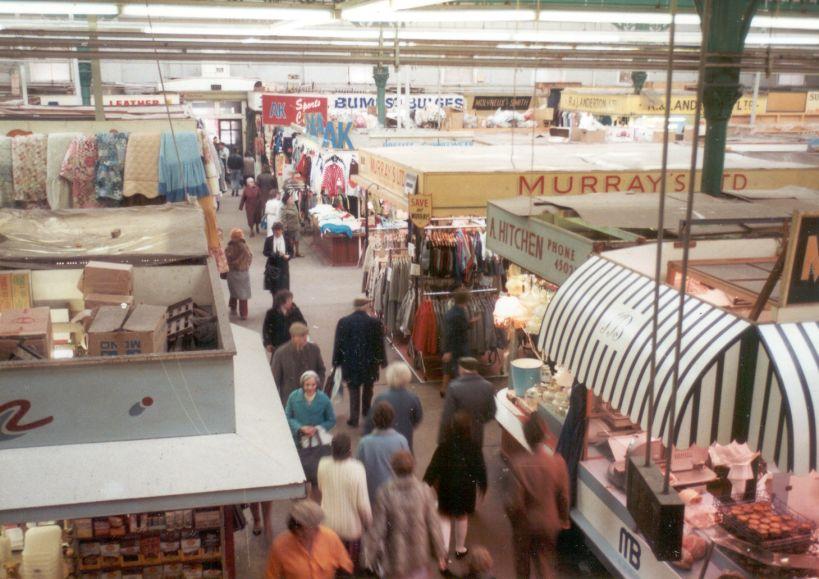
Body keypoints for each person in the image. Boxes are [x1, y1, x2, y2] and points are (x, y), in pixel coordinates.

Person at [363, 451, 447, 579]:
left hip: (396, 558)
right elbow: (434, 524)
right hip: (420, 556)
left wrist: (368, 555)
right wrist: (440, 552)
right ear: (413, 467)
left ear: (393, 468)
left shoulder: (384, 492)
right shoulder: (424, 490)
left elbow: (378, 529)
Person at [505, 416, 570, 579]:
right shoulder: (558, 462)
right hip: (548, 522)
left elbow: (515, 503)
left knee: (522, 567)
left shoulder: (518, 464)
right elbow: (564, 497)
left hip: (525, 525)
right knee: (545, 565)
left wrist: (514, 522)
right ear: (544, 435)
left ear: (526, 437)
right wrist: (563, 518)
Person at [424, 410, 487, 561]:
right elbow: (480, 468)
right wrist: (482, 485)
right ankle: (460, 548)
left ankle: (444, 550)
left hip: (447, 486)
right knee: (461, 516)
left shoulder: (444, 445)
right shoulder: (474, 447)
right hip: (466, 489)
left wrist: (426, 482)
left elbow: (434, 466)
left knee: (445, 515)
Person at [317, 433, 372, 572]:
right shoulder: (358, 468)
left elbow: (320, 488)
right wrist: (368, 524)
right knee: (348, 567)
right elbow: (363, 505)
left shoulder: (323, 464)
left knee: (330, 567)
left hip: (327, 526)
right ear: (350, 451)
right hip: (351, 530)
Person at [332, 297, 387, 427]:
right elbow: (379, 344)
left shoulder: (344, 322)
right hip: (369, 363)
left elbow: (338, 344)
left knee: (353, 389)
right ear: (366, 306)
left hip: (351, 363)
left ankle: (354, 418)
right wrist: (382, 361)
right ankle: (367, 413)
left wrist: (336, 361)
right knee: (368, 388)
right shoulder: (375, 323)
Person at [265, 500, 353, 579]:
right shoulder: (280, 545)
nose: (298, 532)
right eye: (295, 528)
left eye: (303, 529)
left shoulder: (330, 538)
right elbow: (271, 575)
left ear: (315, 526)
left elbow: (345, 566)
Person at [356, 401, 408, 505]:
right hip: (395, 490)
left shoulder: (365, 443)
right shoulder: (401, 440)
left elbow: (359, 467)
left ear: (374, 420)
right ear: (392, 419)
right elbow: (407, 466)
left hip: (373, 490)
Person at [363, 361, 423, 452]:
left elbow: (370, 422)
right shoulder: (413, 398)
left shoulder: (381, 398)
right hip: (405, 441)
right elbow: (417, 418)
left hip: (383, 444)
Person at [439, 357, 496, 449]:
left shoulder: (453, 387)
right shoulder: (488, 386)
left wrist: (441, 439)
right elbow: (492, 411)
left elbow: (447, 415)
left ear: (461, 369)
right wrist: (480, 420)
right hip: (477, 433)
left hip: (457, 434)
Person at [272, 322, 326, 403]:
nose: (305, 338)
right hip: (290, 399)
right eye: (301, 336)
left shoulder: (314, 350)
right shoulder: (281, 353)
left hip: (311, 398)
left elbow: (321, 370)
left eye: (306, 335)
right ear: (293, 337)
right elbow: (275, 379)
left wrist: (317, 386)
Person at [285, 370, 336, 443]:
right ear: (302, 384)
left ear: (317, 385)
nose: (310, 388)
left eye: (313, 385)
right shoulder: (293, 396)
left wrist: (317, 428)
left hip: (317, 439)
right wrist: (300, 427)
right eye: (307, 384)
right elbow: (287, 417)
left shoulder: (324, 399)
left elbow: (332, 420)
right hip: (297, 438)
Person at [441, 288, 473, 396]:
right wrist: (448, 351)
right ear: (465, 300)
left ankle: (444, 390)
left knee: (449, 368)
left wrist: (469, 324)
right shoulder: (456, 314)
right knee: (459, 368)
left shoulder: (456, 311)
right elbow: (450, 333)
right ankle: (457, 393)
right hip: (457, 346)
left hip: (456, 345)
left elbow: (460, 327)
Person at [262, 289, 307, 354]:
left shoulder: (295, 311)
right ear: (282, 302)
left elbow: (303, 325)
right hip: (277, 345)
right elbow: (266, 329)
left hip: (293, 344)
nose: (291, 302)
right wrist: (267, 343)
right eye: (289, 300)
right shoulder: (271, 313)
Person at [223, 228, 252, 320]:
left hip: (232, 272)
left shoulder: (229, 247)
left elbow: (225, 258)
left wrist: (230, 265)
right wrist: (246, 265)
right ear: (241, 236)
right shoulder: (245, 246)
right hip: (243, 272)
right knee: (243, 294)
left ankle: (233, 307)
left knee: (233, 291)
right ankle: (244, 314)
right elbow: (250, 256)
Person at [263, 222, 293, 295]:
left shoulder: (287, 239)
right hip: (273, 265)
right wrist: (272, 254)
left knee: (284, 288)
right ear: (273, 231)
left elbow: (291, 252)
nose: (277, 232)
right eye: (275, 230)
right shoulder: (269, 239)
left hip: (283, 265)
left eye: (279, 230)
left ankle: (282, 305)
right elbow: (265, 252)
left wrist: (288, 256)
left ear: (282, 230)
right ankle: (275, 305)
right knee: (274, 289)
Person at [282, 192, 303, 257]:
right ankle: (292, 252)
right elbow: (283, 219)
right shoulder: (284, 208)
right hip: (290, 227)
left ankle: (297, 252)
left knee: (297, 239)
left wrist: (300, 219)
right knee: (291, 241)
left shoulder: (294, 205)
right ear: (287, 201)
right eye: (290, 198)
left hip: (296, 225)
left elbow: (297, 213)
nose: (292, 199)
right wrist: (285, 228)